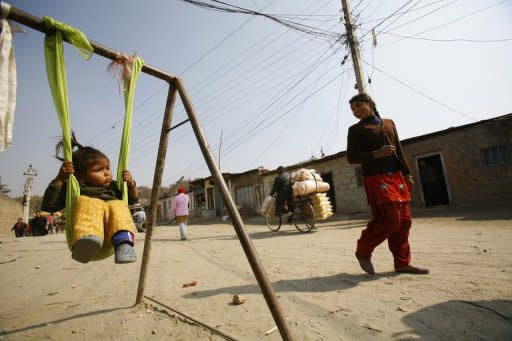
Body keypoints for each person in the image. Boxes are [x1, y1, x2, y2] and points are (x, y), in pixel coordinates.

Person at [346, 93, 429, 275]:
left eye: (359, 106)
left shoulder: (389, 123)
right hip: (376, 177)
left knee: (405, 221)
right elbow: (352, 157)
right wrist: (375, 154)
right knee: (390, 219)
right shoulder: (355, 130)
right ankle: (363, 250)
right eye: (353, 109)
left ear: (370, 104)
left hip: (397, 176)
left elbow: (398, 148)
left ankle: (402, 263)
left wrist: (407, 173)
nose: (356, 111)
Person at [41, 135, 139, 264]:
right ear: (81, 175)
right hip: (87, 235)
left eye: (108, 168)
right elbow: (49, 206)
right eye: (99, 170)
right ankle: (87, 243)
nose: (107, 173)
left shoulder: (113, 187)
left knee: (119, 205)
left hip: (112, 236)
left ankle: (124, 244)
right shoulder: (75, 189)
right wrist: (59, 179)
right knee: (89, 202)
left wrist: (131, 184)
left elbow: (133, 200)